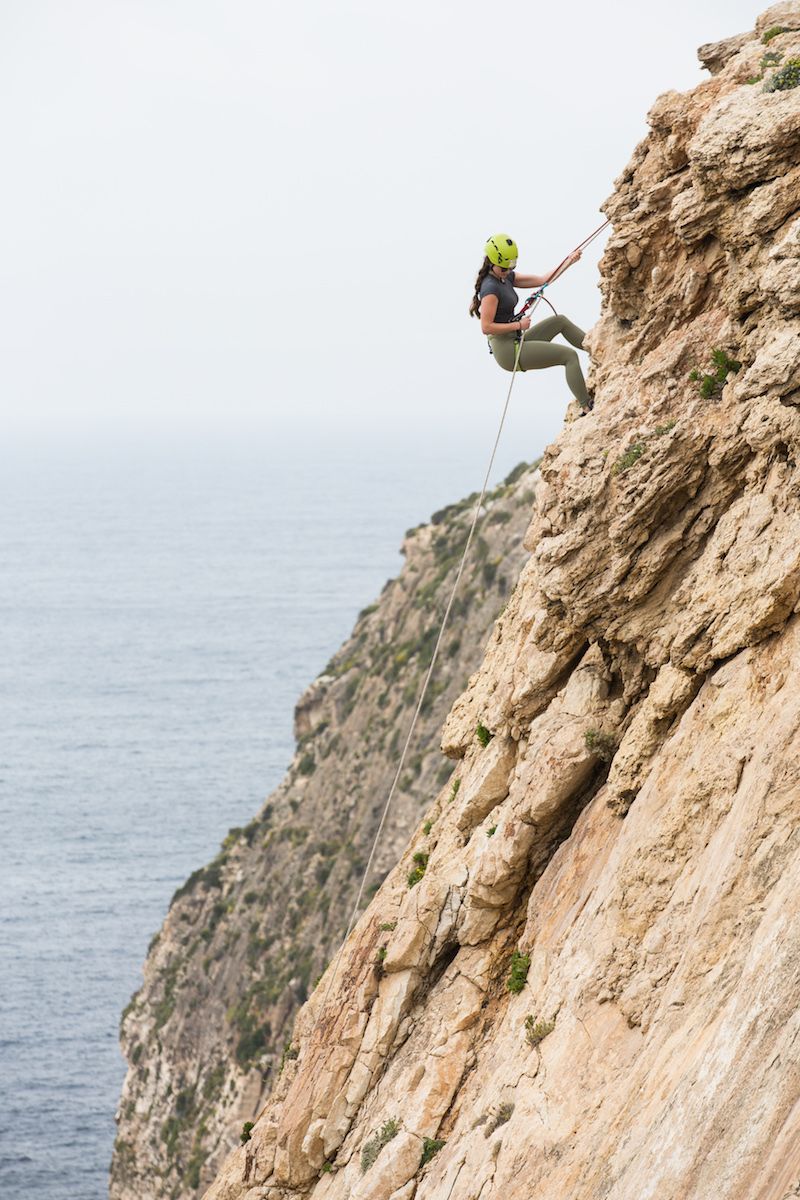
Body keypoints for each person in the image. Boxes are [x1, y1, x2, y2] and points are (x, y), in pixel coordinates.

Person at [470, 234, 592, 410]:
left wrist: (568, 261)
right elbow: (486, 327)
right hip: (507, 351)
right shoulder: (490, 288)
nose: (507, 271)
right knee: (569, 356)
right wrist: (518, 325)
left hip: (516, 339)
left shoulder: (506, 277)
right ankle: (587, 405)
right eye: (504, 268)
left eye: (510, 268)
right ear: (491, 262)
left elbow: (543, 280)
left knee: (560, 321)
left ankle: (596, 348)